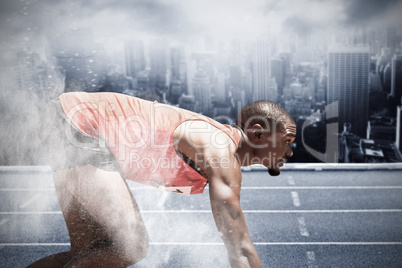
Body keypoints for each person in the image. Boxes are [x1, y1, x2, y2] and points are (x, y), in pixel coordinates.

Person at [29, 91, 296, 268]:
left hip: (66, 120)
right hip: (78, 122)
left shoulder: (216, 149)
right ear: (257, 133)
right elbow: (240, 249)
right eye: (287, 141)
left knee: (91, 252)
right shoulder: (220, 150)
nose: (290, 151)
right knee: (130, 245)